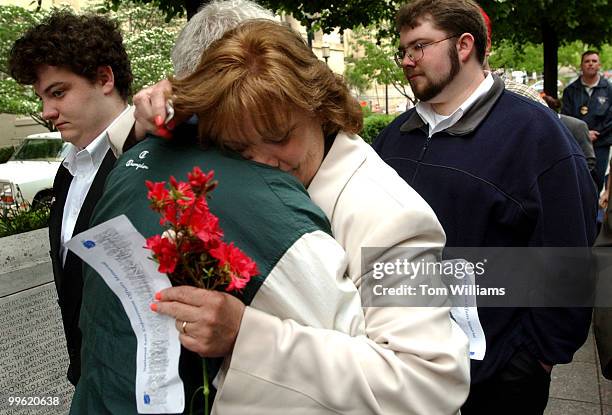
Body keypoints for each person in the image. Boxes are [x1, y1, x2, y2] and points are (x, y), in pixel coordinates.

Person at [76, 3, 470, 414]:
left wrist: (246, 335)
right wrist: (149, 120)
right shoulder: (274, 159)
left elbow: (430, 381)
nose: (264, 162)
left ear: (320, 105)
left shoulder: (395, 215)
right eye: (239, 148)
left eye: (279, 137)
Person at [372, 0, 598, 413]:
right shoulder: (391, 141)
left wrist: (534, 358)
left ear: (463, 46)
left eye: (419, 46)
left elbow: (572, 258)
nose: (407, 60)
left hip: (500, 377)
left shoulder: (536, 135)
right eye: (402, 50)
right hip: (404, 365)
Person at [8, 11, 136, 386]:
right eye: (42, 98)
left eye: (58, 92)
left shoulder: (153, 156)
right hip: (88, 376)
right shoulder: (68, 169)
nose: (47, 112)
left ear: (104, 78)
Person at [562, 50, 612, 193]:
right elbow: (566, 116)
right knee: (578, 181)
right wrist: (584, 134)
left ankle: (595, 213)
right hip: (576, 144)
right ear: (581, 65)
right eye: (587, 61)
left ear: (599, 65)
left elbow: (610, 117)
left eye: (594, 61)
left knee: (597, 181)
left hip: (600, 143)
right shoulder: (570, 91)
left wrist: (597, 134)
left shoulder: (609, 89)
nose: (590, 64)